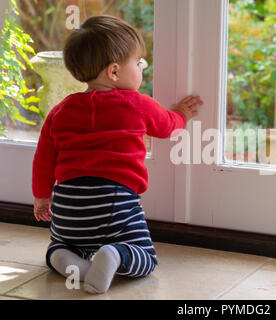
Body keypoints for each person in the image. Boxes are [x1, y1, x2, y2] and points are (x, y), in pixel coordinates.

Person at [32, 15, 203, 294]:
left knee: (59, 245)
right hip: (115, 202)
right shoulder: (137, 104)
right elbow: (167, 127)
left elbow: (43, 158)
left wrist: (42, 196)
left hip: (67, 207)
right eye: (138, 63)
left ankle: (66, 260)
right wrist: (181, 113)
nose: (141, 69)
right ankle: (115, 255)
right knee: (145, 258)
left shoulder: (60, 111)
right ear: (114, 72)